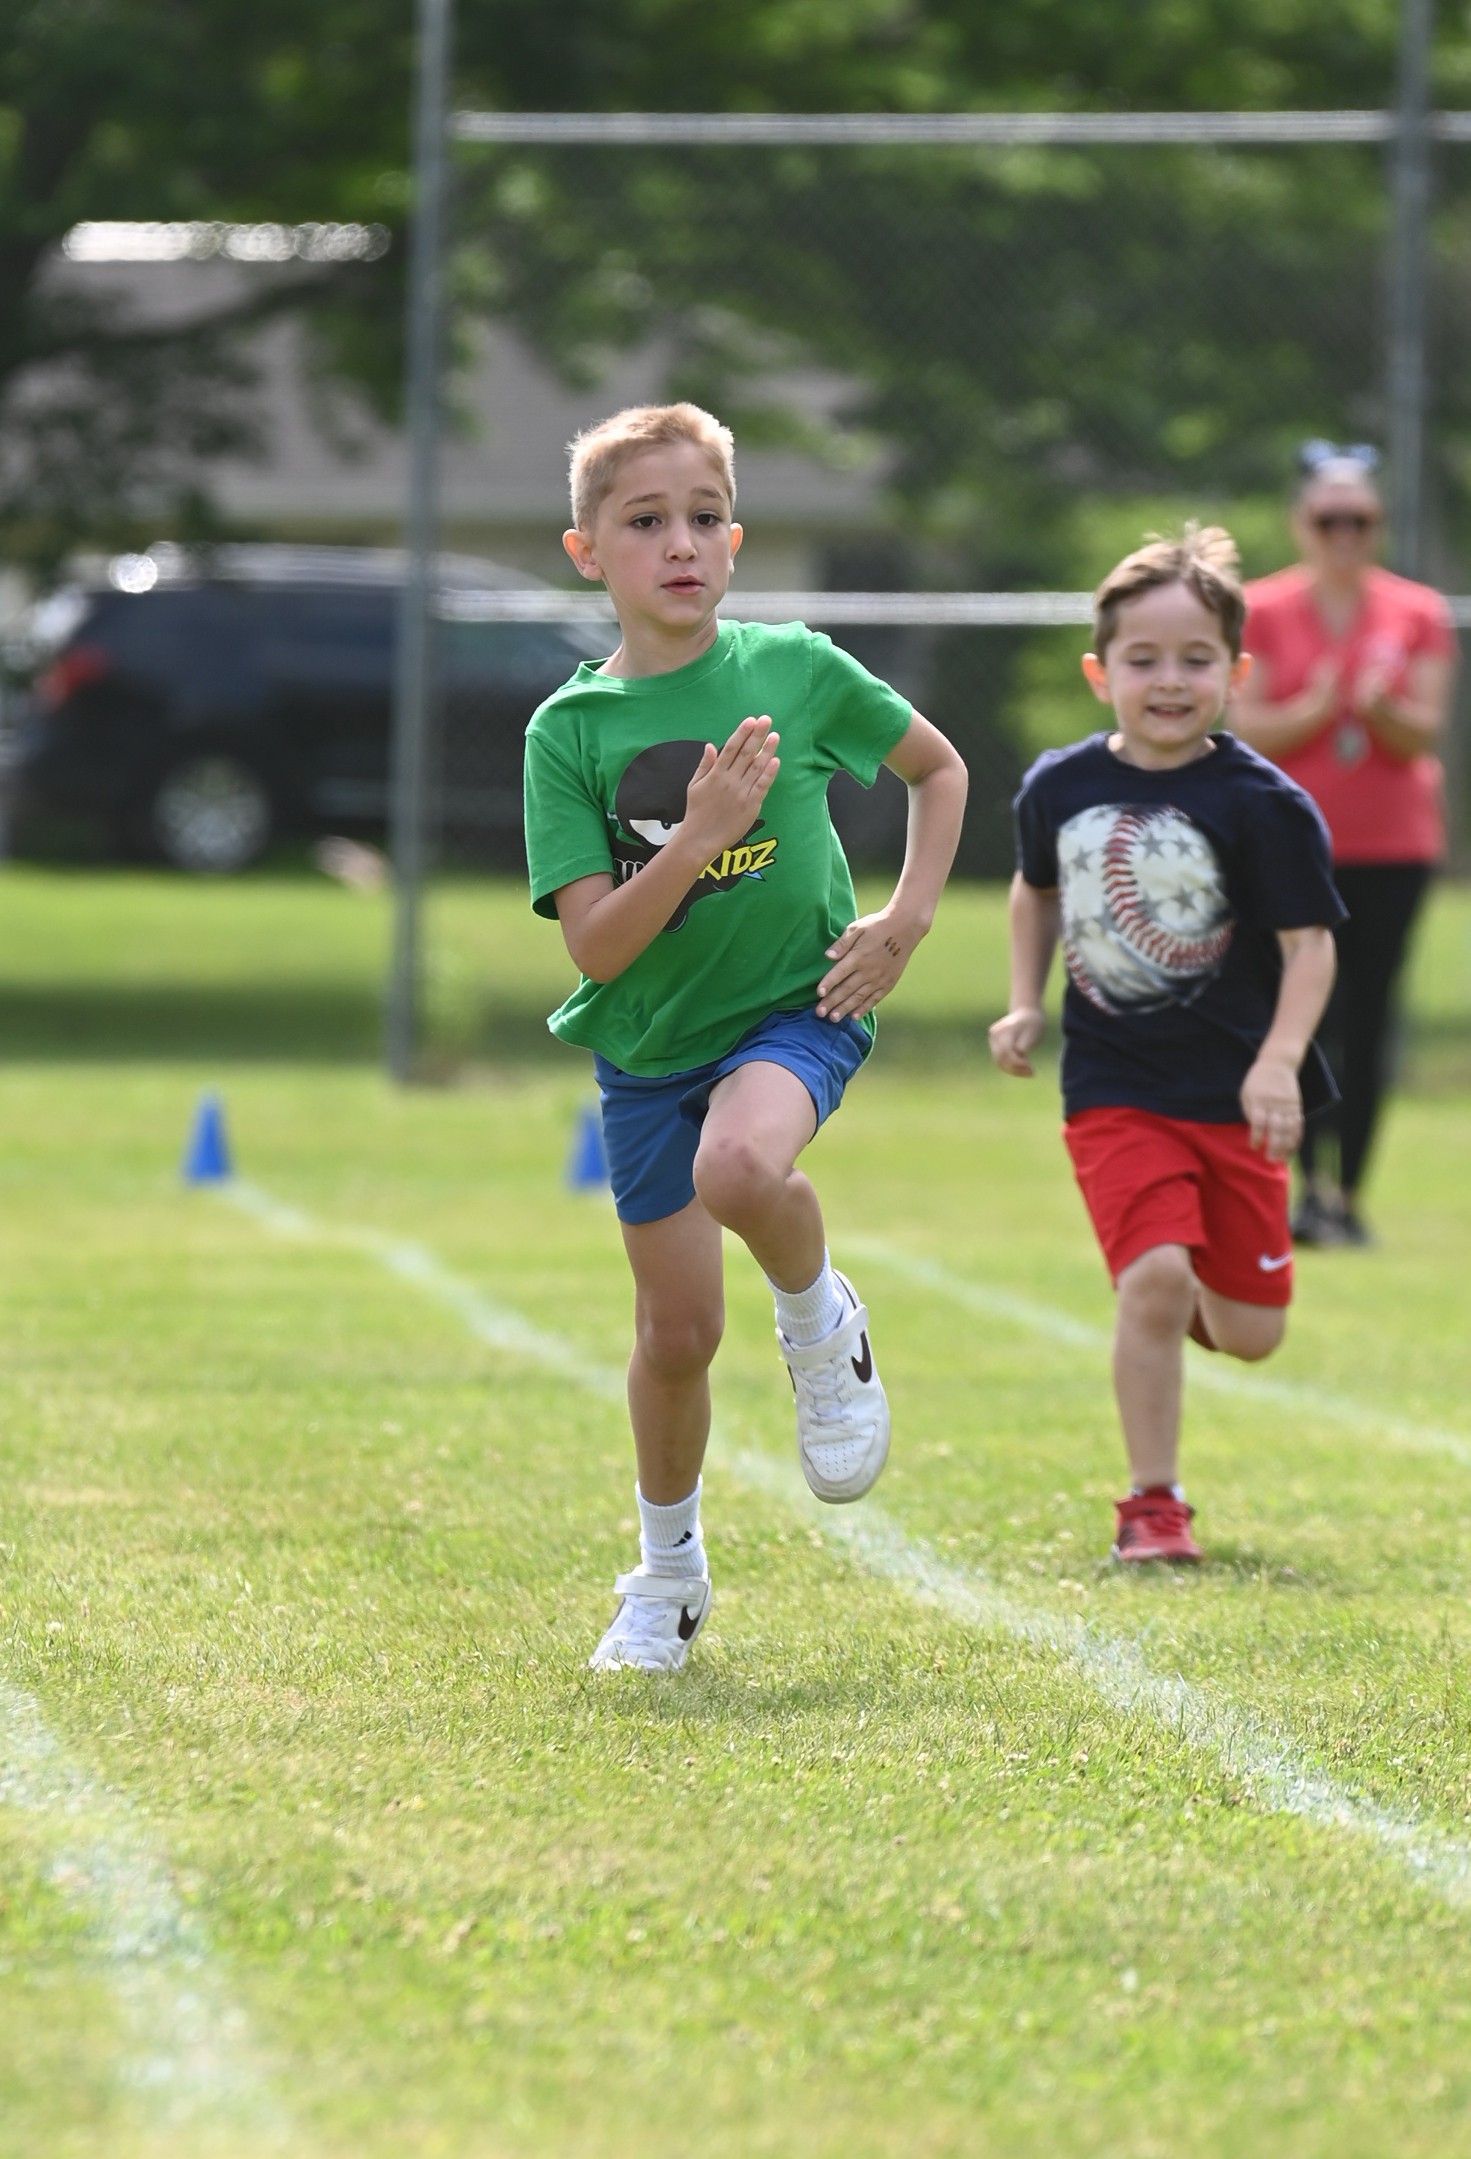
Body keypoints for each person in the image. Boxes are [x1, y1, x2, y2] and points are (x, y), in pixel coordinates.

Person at [523, 401, 968, 1669]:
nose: (681, 543)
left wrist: (908, 917)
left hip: (794, 1010)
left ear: (736, 539)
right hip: (649, 1048)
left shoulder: (797, 669)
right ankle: (665, 1578)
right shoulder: (569, 733)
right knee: (673, 1336)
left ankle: (823, 1323)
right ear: (586, 551)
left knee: (742, 1169)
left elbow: (940, 773)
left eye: (705, 518)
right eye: (646, 520)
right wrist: (704, 835)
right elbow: (598, 947)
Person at [988, 528, 1342, 1563]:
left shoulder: (1262, 804)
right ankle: (1153, 1501)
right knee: (1149, 1279)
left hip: (1231, 1092)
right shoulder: (1056, 787)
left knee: (1250, 1332)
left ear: (1234, 675)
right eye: (1142, 659)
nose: (1169, 680)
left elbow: (1308, 945)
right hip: (1113, 1086)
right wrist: (1022, 1001)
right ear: (1101, 672)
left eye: (1195, 660)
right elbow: (1034, 889)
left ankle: (1196, 1270)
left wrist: (1276, 1059)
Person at [1235, 443, 1457, 1247]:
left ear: (1377, 526)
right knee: (1293, 1019)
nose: (1342, 533)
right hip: (1290, 846)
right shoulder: (1259, 609)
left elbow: (1421, 730)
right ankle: (1300, 1189)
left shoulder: (1416, 611)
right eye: (1327, 519)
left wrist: (1381, 708)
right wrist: (1317, 707)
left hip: (1391, 848)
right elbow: (1247, 724)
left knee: (1365, 1021)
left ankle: (1349, 1194)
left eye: (1357, 520)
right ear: (1301, 522)